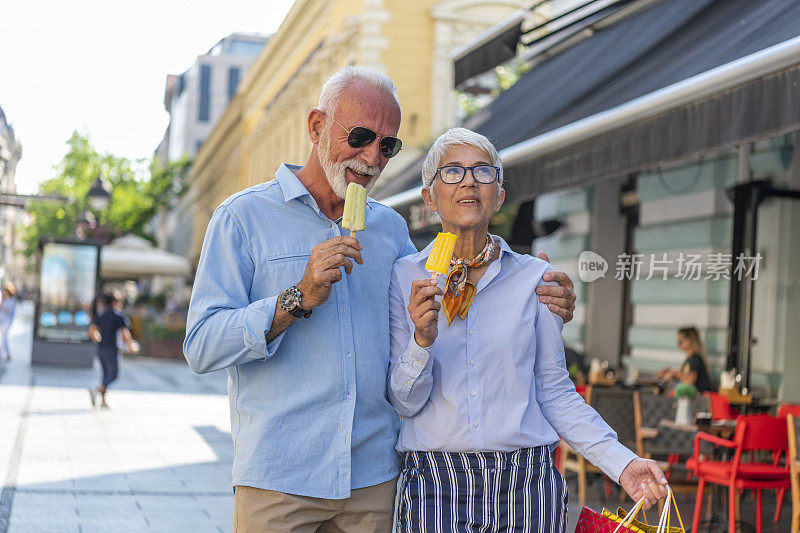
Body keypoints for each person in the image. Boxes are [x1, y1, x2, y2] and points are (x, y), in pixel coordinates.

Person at [183, 66, 577, 532]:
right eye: (361, 137)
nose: (372, 157)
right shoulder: (242, 217)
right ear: (316, 127)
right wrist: (298, 297)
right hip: (280, 475)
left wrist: (538, 294)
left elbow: (445, 320)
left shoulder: (391, 229)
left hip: (375, 478)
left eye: (387, 145)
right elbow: (201, 346)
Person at [388, 128, 668, 532]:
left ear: (499, 195)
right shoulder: (404, 278)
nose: (469, 180)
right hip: (436, 483)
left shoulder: (534, 278)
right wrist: (421, 341)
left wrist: (621, 463)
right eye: (452, 172)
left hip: (527, 484)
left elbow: (554, 390)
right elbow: (405, 402)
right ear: (429, 197)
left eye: (483, 172)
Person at [88, 291, 139, 408]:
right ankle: (98, 389)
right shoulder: (118, 316)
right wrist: (131, 345)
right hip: (112, 349)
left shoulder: (101, 315)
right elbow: (125, 333)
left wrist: (99, 339)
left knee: (105, 374)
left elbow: (91, 331)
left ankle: (103, 401)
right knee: (114, 375)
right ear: (115, 302)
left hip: (101, 348)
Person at [656, 326, 713, 394]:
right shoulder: (690, 358)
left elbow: (690, 381)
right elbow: (684, 376)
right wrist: (669, 373)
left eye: (680, 341)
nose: (679, 345)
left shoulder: (695, 357)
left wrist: (676, 373)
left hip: (699, 397)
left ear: (690, 340)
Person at [0, 281, 17, 361]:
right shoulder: (3, 300)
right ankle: (7, 353)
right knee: (4, 337)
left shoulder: (11, 301)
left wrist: (1, 306)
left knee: (3, 337)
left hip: (7, 321)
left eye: (4, 292)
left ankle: (2, 353)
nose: (3, 293)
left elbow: (8, 311)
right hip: (1, 320)